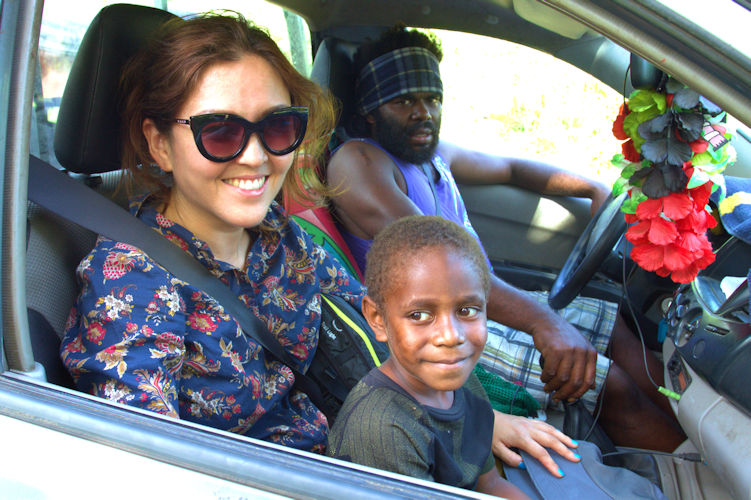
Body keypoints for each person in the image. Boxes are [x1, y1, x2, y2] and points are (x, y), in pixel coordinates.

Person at [326, 25, 685, 452]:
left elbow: (513, 170)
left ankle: (700, 438)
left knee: (615, 328)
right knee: (606, 382)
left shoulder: (434, 154)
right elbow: (438, 266)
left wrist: (592, 188)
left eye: (432, 99)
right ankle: (690, 474)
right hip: (442, 322)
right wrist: (543, 322)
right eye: (404, 101)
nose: (423, 113)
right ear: (371, 109)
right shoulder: (359, 161)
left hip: (477, 303)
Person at [59, 12, 364, 453]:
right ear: (160, 144)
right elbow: (149, 461)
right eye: (220, 133)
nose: (257, 158)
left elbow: (379, 327)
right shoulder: (133, 281)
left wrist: (465, 423)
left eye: (278, 126)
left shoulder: (284, 237)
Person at [328, 215, 530, 499]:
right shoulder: (382, 431)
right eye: (419, 315)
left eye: (467, 310)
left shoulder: (464, 383)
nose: (450, 336)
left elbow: (490, 484)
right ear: (377, 319)